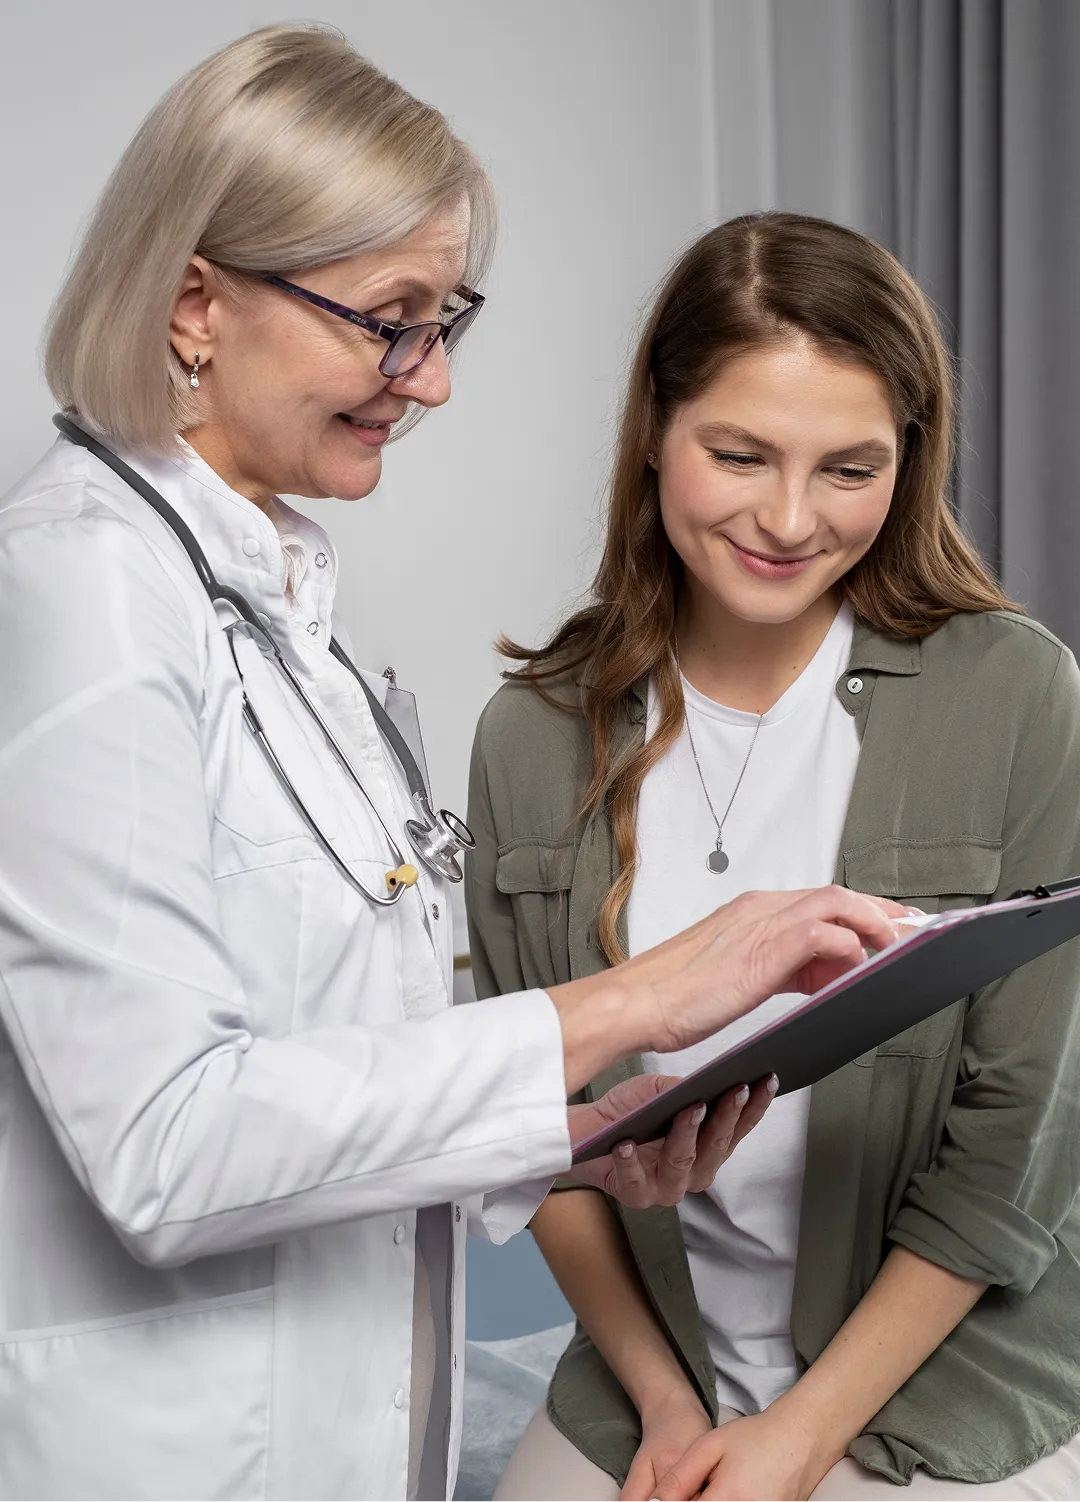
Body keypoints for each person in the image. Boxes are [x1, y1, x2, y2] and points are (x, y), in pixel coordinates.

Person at [0, 34, 907, 1502]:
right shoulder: (83, 593)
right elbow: (168, 1143)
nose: (426, 383)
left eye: (446, 324)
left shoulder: (282, 611)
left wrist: (574, 1138)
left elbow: (342, 1067)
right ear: (193, 303)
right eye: (387, 323)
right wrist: (634, 999)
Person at [467, 212, 1080, 1502]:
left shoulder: (1016, 693)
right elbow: (535, 1134)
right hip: (657, 1371)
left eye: (850, 470)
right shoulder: (532, 736)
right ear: (655, 438)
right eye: (739, 455)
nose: (791, 520)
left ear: (910, 463)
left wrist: (800, 1444)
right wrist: (667, 1406)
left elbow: (1016, 1138)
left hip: (944, 1375)